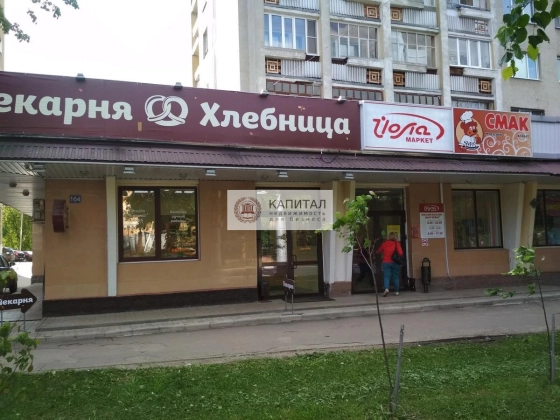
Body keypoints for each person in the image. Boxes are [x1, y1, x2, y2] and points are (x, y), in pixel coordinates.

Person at [376, 232, 403, 297]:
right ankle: (397, 291)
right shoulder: (397, 243)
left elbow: (379, 251)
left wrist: (378, 252)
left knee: (386, 276)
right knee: (396, 277)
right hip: (395, 262)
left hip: (386, 262)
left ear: (388, 237)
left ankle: (386, 289)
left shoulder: (384, 243)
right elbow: (401, 253)